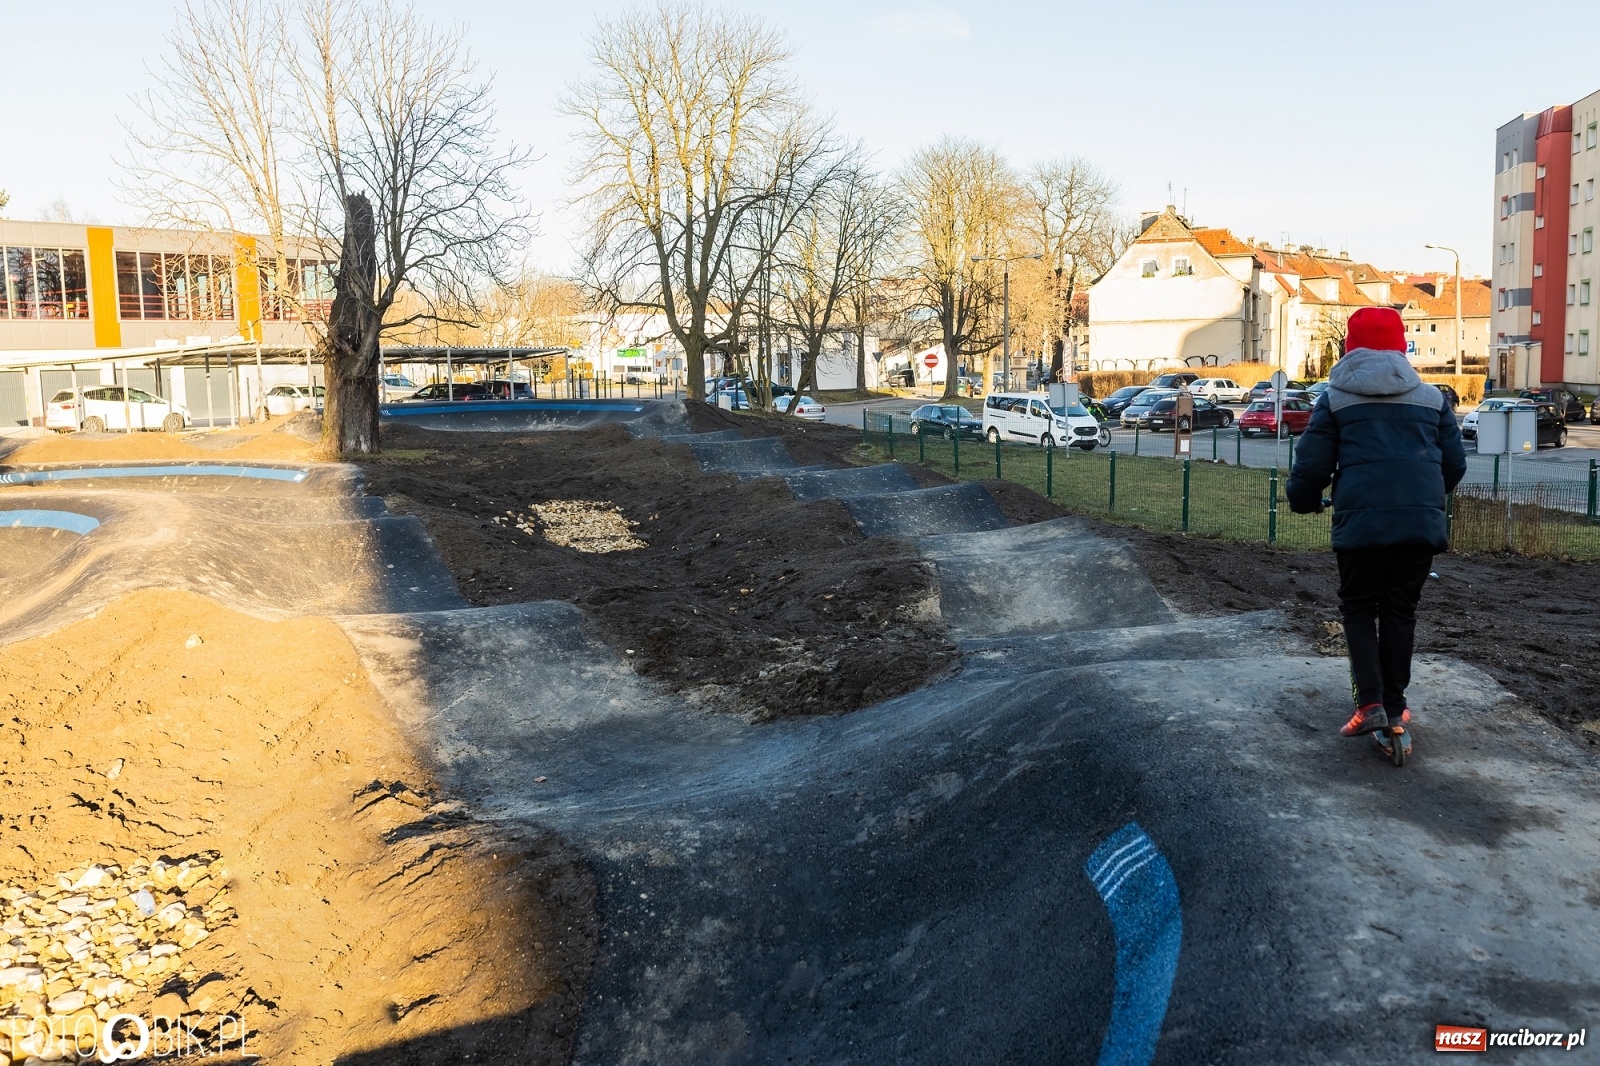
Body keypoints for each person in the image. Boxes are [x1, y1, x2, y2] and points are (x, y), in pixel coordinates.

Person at [1285, 306, 1466, 751]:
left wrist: (1305, 502)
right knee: (1401, 611)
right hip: (1419, 526)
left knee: (1360, 607)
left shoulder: (1336, 399)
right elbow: (1455, 465)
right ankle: (1395, 705)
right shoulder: (1430, 397)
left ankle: (1370, 705)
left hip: (1362, 524)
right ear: (1402, 346)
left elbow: (1312, 467)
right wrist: (1421, 499)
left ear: (1350, 348)